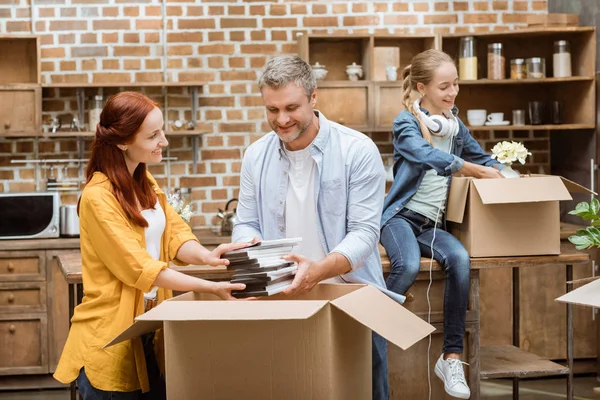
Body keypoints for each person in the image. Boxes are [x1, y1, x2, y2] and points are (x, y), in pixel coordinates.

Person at [54, 91, 249, 399]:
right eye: (153, 135)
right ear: (122, 142)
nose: (164, 141)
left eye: (162, 131)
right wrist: (210, 288)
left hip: (149, 329)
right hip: (111, 337)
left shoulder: (146, 183)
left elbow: (174, 235)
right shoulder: (98, 197)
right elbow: (142, 269)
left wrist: (208, 257)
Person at [232, 55, 402, 400]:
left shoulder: (357, 151)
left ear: (314, 98)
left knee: (363, 392)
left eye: (291, 107)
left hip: (351, 298)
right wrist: (245, 251)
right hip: (282, 300)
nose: (281, 120)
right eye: (272, 110)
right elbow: (247, 221)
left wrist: (318, 271)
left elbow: (365, 233)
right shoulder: (255, 156)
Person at [380, 49, 504, 399]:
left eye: (456, 85)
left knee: (460, 261)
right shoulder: (406, 123)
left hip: (433, 224)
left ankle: (450, 357)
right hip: (399, 218)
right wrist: (471, 169)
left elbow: (481, 157)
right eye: (444, 86)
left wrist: (509, 172)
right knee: (404, 267)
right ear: (423, 88)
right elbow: (426, 155)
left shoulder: (455, 126)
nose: (452, 93)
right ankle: (374, 337)